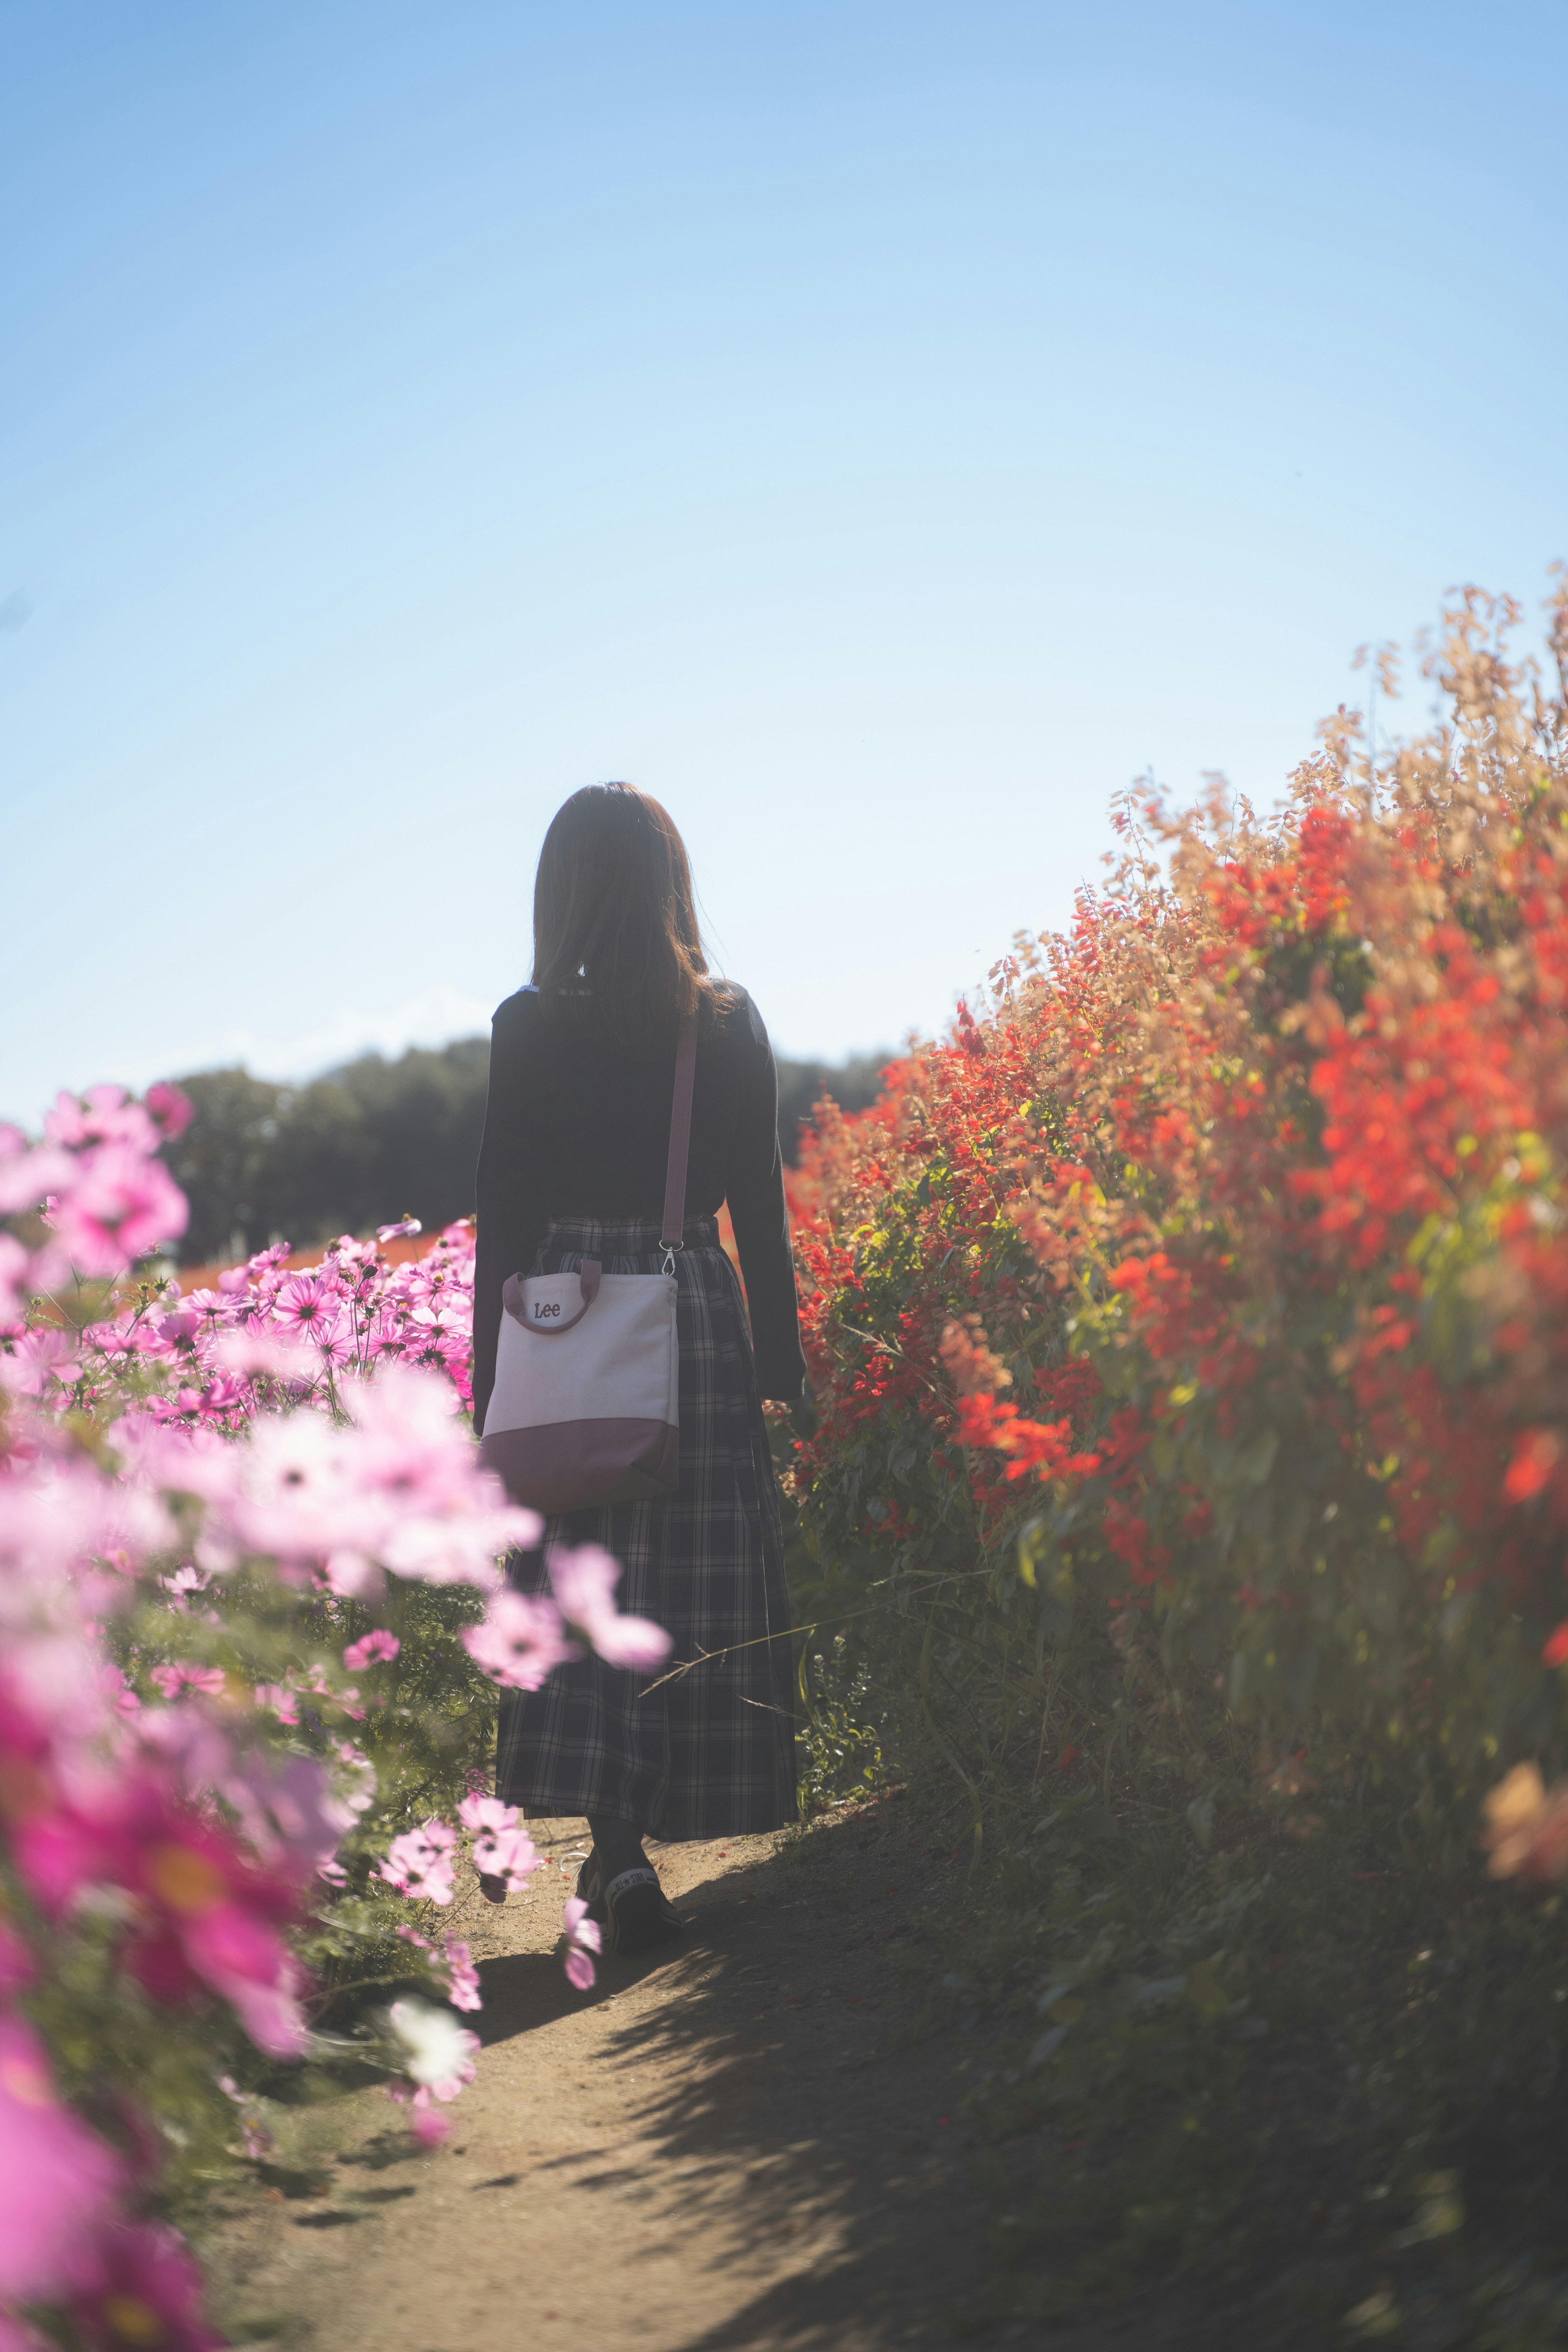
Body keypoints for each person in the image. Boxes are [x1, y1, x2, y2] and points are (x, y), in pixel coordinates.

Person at [470, 782, 806, 1954]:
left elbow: (501, 1223)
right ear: (673, 885)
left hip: (565, 1328)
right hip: (692, 1324)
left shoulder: (527, 1027)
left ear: (559, 894)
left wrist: (488, 1390)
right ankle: (637, 1837)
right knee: (683, 1591)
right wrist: (786, 1369)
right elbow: (761, 1211)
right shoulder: (725, 1022)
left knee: (585, 1583)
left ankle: (614, 1856)